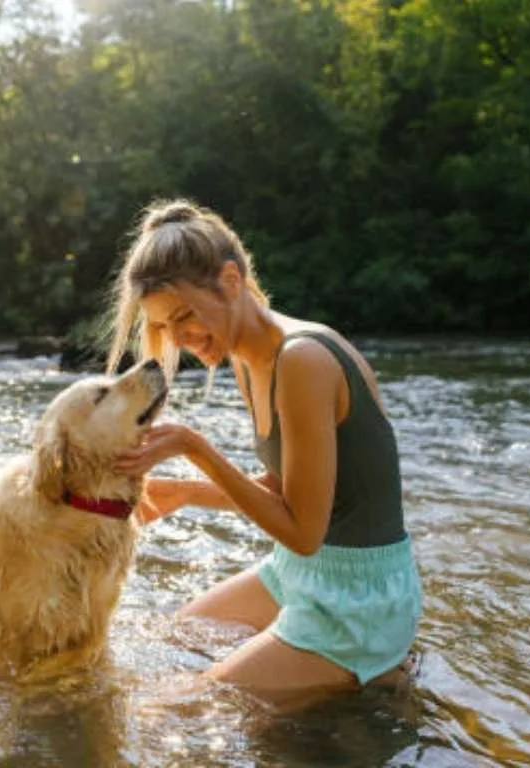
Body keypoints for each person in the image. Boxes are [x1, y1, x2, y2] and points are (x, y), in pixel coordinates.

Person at [105, 198, 421, 709]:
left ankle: (371, 665)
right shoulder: (252, 357)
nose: (180, 339)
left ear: (231, 280)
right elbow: (285, 487)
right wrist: (187, 494)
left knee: (177, 711)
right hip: (305, 574)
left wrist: (195, 448)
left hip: (359, 596)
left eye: (184, 316)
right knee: (181, 633)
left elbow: (303, 531)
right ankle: (345, 672)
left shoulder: (302, 360)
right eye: (165, 328)